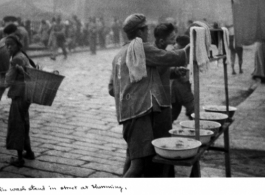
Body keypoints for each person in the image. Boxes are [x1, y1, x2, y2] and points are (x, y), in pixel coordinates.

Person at [108, 14, 189, 177]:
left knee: (131, 157)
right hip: (139, 112)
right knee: (139, 166)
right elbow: (169, 57)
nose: (148, 32)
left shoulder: (120, 53)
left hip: (127, 114)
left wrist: (134, 88)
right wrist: (190, 49)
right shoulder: (140, 47)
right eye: (146, 29)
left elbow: (112, 88)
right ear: (140, 31)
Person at [4, 34, 35, 167]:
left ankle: (19, 158)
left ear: (18, 45)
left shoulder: (15, 59)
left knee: (17, 124)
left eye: (11, 45)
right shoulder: (22, 55)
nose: (9, 47)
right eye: (7, 45)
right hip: (26, 94)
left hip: (19, 94)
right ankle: (28, 152)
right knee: (24, 122)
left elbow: (8, 82)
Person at [171, 35, 194, 122]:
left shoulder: (182, 53)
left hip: (177, 90)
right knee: (193, 110)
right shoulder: (178, 54)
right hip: (180, 89)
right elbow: (184, 78)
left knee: (173, 114)